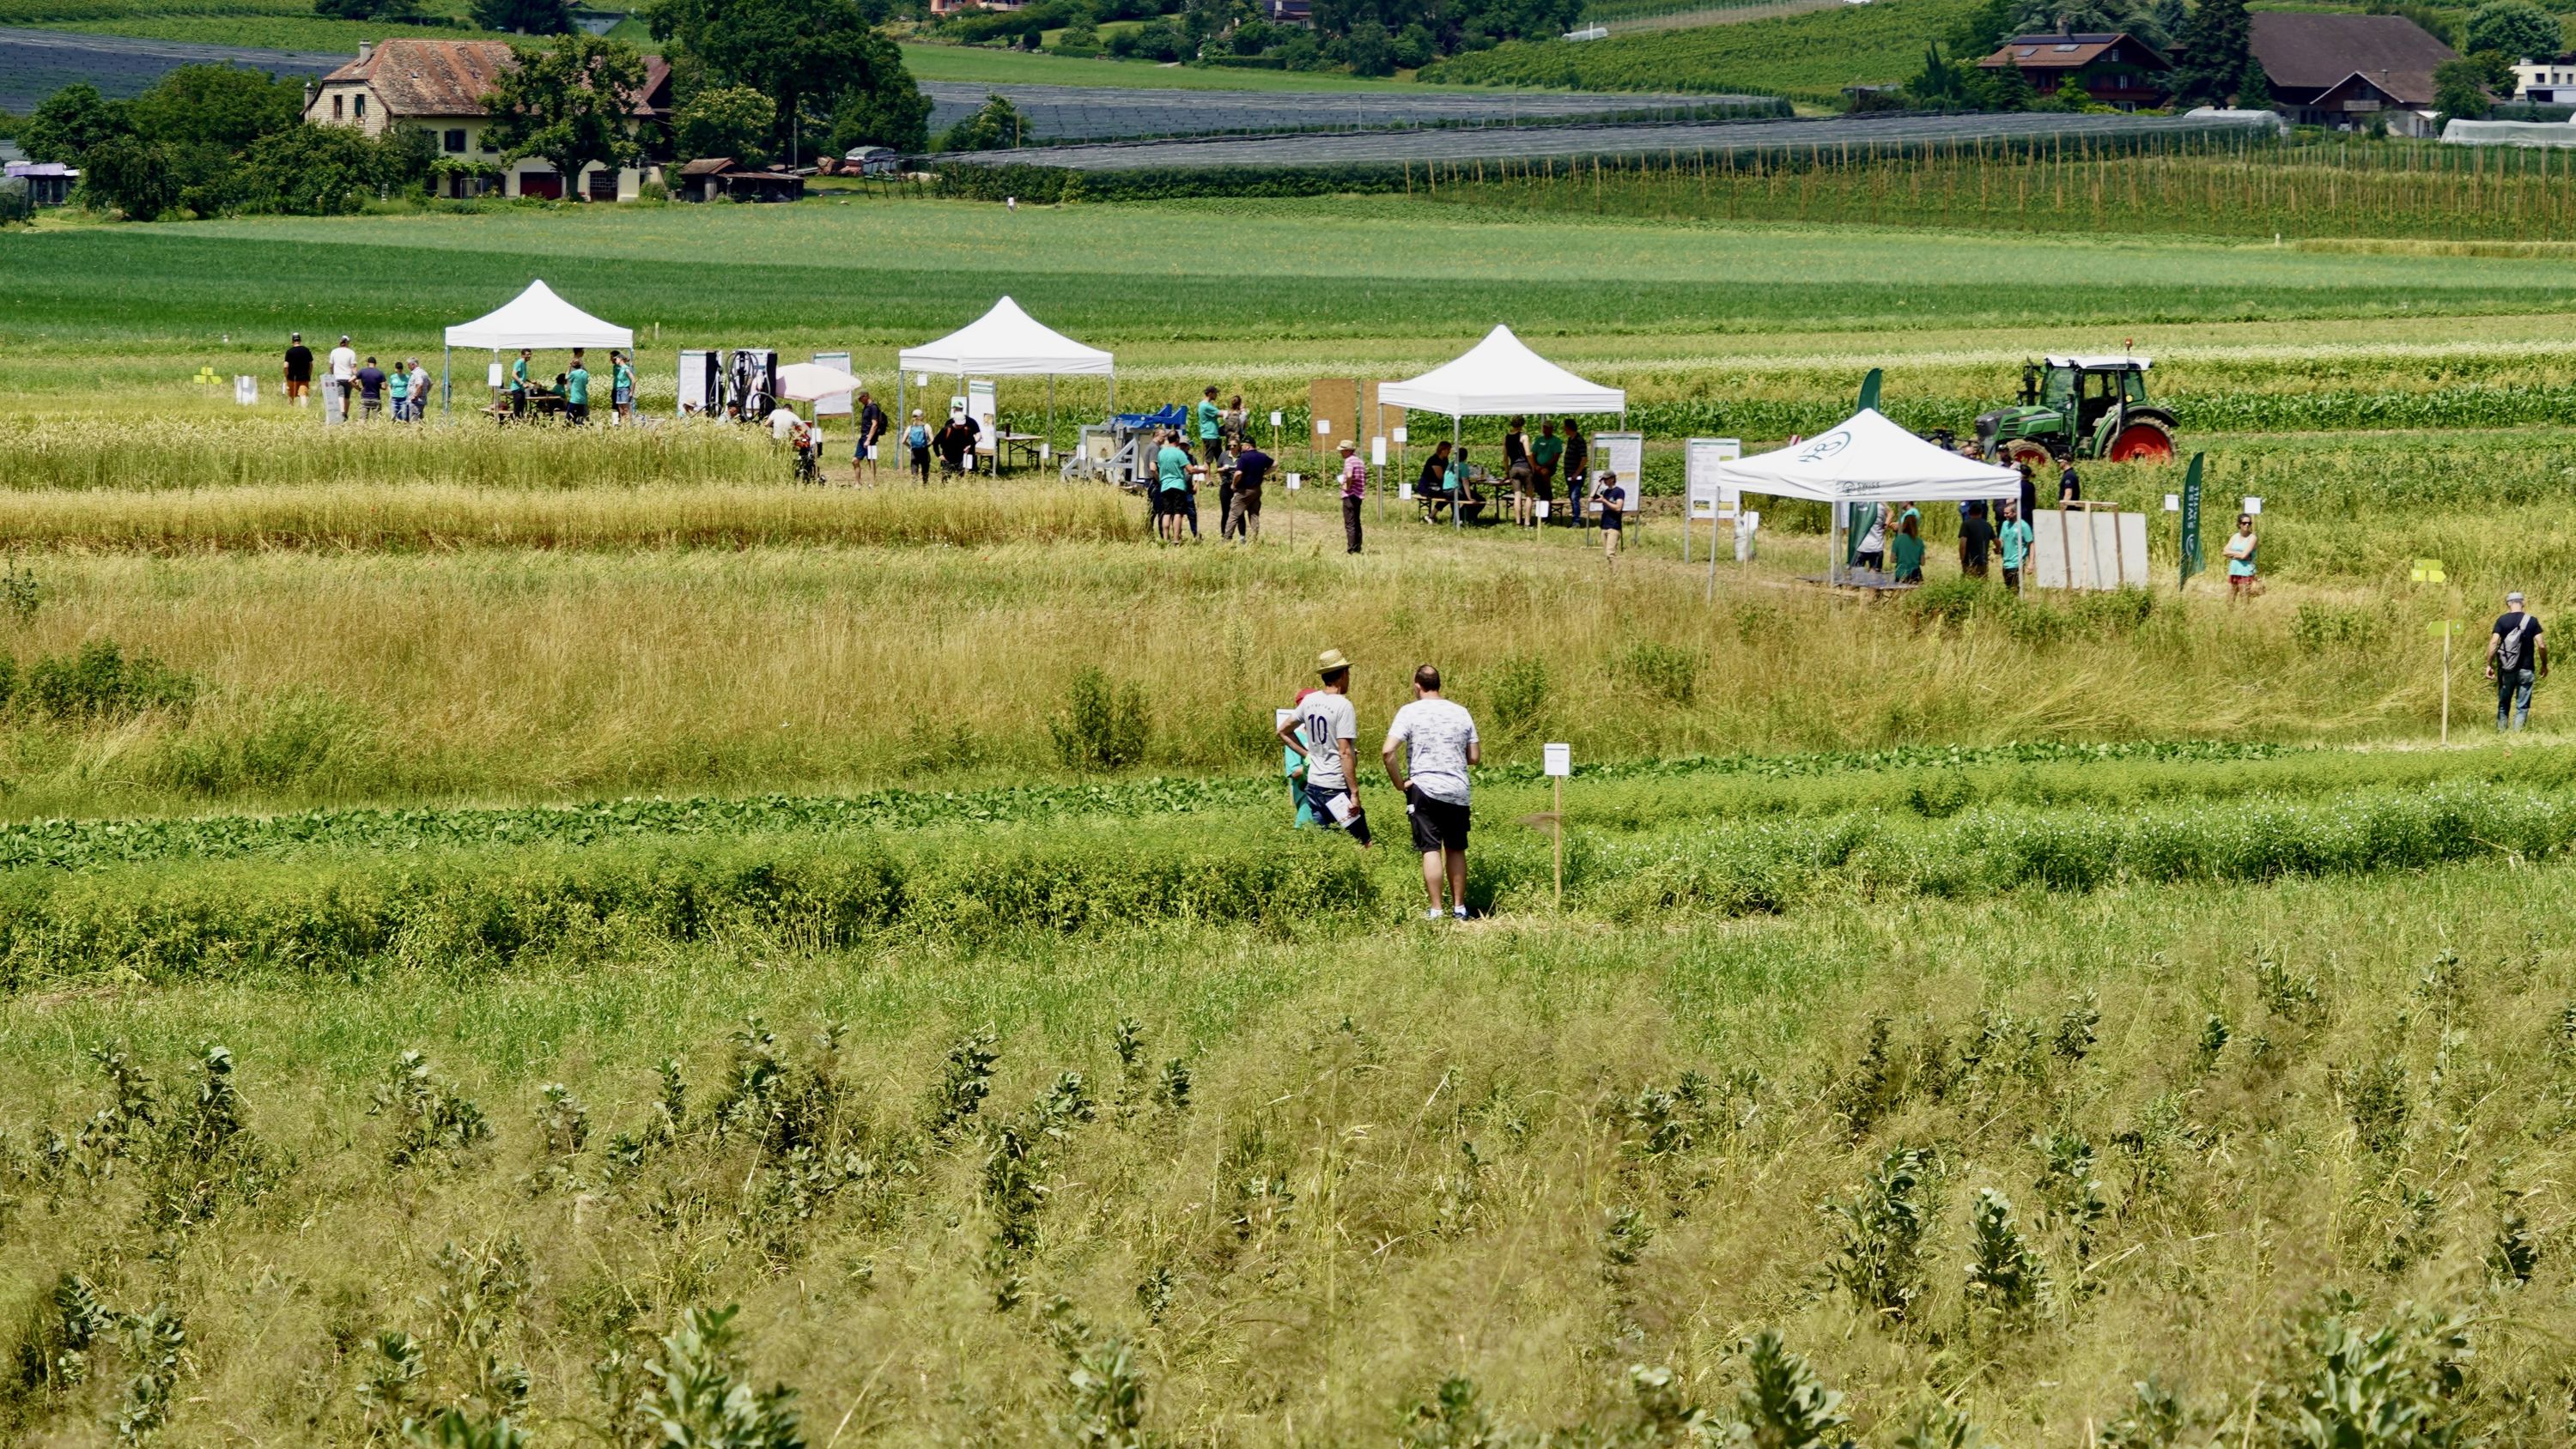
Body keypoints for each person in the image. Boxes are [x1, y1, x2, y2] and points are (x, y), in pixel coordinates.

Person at [1384, 664, 1480, 920]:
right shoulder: (1461, 712)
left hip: (1424, 788)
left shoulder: (1409, 712)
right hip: (1457, 789)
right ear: (1439, 684)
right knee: (1456, 848)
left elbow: (1388, 751)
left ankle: (1436, 909)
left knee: (1430, 849)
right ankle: (1459, 907)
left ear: (1417, 685)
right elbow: (1474, 757)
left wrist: (1399, 782)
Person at [1279, 649, 1369, 847]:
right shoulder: (1343, 705)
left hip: (1314, 785)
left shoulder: (1310, 700)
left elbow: (1283, 731)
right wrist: (1354, 793)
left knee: (1319, 844)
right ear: (1344, 674)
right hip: (1335, 786)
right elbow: (1344, 752)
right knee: (1362, 843)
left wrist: (1307, 755)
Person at [2488, 591, 2547, 731]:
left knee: (2504, 704)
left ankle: (2502, 734)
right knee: (2522, 705)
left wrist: (2489, 664)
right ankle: (2517, 735)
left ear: (2508, 604)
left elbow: (2493, 642)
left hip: (2506, 669)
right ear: (2523, 603)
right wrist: (2544, 664)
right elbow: (2541, 644)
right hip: (2526, 669)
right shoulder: (2532, 621)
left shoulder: (2502, 620)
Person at [1230, 435, 1272, 541]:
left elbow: (1238, 473)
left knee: (1234, 514)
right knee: (1254, 514)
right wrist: (1264, 473)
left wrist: (1234, 485)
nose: (1241, 447)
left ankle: (1227, 538)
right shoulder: (1262, 456)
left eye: (1243, 445)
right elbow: (1275, 464)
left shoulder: (1244, 457)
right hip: (1257, 490)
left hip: (1244, 491)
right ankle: (1254, 538)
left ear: (1248, 446)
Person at [1155, 429, 1193, 543]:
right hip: (1178, 485)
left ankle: (1165, 539)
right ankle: (1176, 538)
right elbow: (1190, 469)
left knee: (1167, 512)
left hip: (1165, 485)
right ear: (1177, 440)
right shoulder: (1179, 453)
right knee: (1177, 513)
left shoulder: (1161, 453)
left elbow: (1159, 467)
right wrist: (1202, 470)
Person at [1530, 420, 1563, 526]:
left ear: (1552, 429)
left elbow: (1556, 457)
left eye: (1548, 428)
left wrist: (1544, 466)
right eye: (1544, 427)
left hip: (1548, 468)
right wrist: (1535, 466)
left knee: (1545, 486)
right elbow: (1533, 454)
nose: (1545, 430)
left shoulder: (1556, 441)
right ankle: (1542, 494)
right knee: (1539, 490)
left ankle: (1546, 514)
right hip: (1537, 468)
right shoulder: (1539, 440)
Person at [1996, 499, 2033, 591]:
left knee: (2015, 590)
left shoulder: (2023, 526)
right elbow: (2001, 540)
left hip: (2017, 563)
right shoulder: (2005, 524)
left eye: (2007, 513)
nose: (2005, 515)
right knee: (2008, 589)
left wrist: (2031, 562)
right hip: (2006, 563)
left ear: (2015, 512)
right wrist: (1997, 547)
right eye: (2004, 513)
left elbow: (2031, 544)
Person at [1339, 439, 1366, 555]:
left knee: (1349, 523)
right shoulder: (1360, 461)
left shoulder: (1349, 461)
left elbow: (1349, 475)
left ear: (1348, 451)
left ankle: (1351, 549)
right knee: (1357, 522)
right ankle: (1358, 547)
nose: (1340, 453)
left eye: (1342, 451)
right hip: (1359, 495)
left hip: (1350, 495)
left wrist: (1347, 486)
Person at [1559, 420, 1589, 525]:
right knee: (1572, 497)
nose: (1563, 429)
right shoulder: (1570, 440)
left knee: (1574, 497)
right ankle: (1574, 519)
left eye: (1565, 427)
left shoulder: (1579, 440)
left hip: (1576, 475)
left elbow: (1584, 459)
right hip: (1569, 474)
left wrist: (1577, 473)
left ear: (1569, 428)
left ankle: (1576, 521)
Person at [1504, 416, 1532, 525]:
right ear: (1522, 425)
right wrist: (1533, 466)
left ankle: (1518, 521)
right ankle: (1527, 522)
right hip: (1525, 467)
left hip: (1514, 468)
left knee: (1517, 495)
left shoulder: (1506, 437)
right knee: (1529, 495)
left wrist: (1507, 471)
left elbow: (1505, 457)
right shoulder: (1524, 436)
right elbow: (1528, 453)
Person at [2223, 513, 2259, 600]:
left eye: (2249, 523)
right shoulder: (2234, 537)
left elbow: (2244, 555)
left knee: (2245, 600)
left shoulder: (2252, 538)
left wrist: (2232, 555)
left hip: (2245, 571)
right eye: (2244, 523)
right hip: (2234, 570)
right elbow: (2224, 551)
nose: (2247, 525)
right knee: (2230, 600)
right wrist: (2238, 555)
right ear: (2239, 524)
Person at [854, 391, 886, 484]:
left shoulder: (873, 407)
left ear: (866, 396)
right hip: (863, 437)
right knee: (855, 460)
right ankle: (858, 483)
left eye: (860, 398)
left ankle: (872, 482)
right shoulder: (866, 407)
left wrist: (868, 440)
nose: (859, 401)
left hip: (869, 438)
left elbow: (875, 424)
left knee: (871, 460)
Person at [1592, 470, 1625, 559]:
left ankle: (1616, 572)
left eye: (1606, 479)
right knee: (1607, 554)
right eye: (1603, 479)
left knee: (1610, 553)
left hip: (1614, 526)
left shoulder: (1619, 491)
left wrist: (1604, 501)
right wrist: (1597, 486)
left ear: (1612, 479)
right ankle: (1612, 571)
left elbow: (1618, 508)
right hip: (1604, 526)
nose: (1605, 481)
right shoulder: (1605, 492)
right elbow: (1590, 499)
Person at [1959, 499, 1996, 579]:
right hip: (1983, 562)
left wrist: (1962, 559)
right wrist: (1998, 549)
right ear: (1982, 512)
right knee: (1983, 586)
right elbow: (1997, 541)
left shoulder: (1966, 524)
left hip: (1970, 562)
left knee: (1970, 584)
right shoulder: (1987, 524)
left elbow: (1962, 544)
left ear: (1969, 512)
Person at [1418, 440, 1453, 522]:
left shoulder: (1445, 460)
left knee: (1452, 494)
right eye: (1448, 449)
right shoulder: (1434, 460)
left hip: (1437, 486)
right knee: (1450, 494)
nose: (1449, 452)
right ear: (1442, 450)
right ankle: (1431, 516)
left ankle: (1455, 516)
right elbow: (1441, 476)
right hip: (1427, 486)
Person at [327, 334, 357, 420]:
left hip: (337, 377)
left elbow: (331, 365)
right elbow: (353, 367)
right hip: (348, 377)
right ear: (347, 343)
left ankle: (342, 413)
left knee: (340, 395)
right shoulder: (351, 352)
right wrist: (356, 376)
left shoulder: (334, 351)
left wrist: (332, 374)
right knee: (347, 396)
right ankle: (346, 414)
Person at [1891, 511, 1924, 584]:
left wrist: (1901, 559)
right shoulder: (1919, 541)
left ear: (1904, 525)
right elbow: (1922, 562)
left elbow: (1892, 560)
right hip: (1915, 575)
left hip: (1900, 574)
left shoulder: (1898, 540)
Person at [1853, 502, 1887, 574]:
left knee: (1857, 577)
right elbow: (1883, 523)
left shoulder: (1860, 506)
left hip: (1861, 545)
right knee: (1874, 579)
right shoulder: (1881, 508)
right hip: (1876, 546)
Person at [283, 333, 313, 408]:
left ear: (292, 341)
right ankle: (304, 412)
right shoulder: (306, 350)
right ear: (300, 340)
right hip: (304, 377)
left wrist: (287, 376)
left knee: (291, 395)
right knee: (303, 395)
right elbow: (311, 364)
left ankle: (290, 410)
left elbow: (285, 366)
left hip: (292, 377)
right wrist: (309, 374)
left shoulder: (289, 351)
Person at [1197, 386, 1224, 465]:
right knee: (1208, 460)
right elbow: (1220, 413)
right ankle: (1208, 478)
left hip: (1212, 434)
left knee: (1219, 458)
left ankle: (1221, 476)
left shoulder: (1203, 404)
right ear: (1210, 394)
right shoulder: (1206, 406)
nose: (1217, 395)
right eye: (1215, 393)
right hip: (1210, 435)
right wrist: (1233, 412)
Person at [903, 410, 932, 484]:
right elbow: (933, 440)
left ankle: (914, 488)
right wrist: (927, 445)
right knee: (925, 471)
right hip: (924, 451)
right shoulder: (926, 426)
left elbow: (903, 441)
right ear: (922, 417)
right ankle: (925, 485)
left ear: (913, 417)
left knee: (914, 471)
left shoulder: (910, 428)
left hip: (914, 452)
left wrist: (910, 447)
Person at [563, 350, 591, 425]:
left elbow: (566, 377)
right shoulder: (585, 373)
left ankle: (567, 426)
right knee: (581, 416)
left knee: (568, 416)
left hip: (574, 399)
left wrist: (569, 367)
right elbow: (587, 381)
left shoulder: (573, 373)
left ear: (573, 366)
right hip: (583, 398)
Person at [355, 355, 386, 419]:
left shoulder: (362, 371)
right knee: (377, 422)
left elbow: (350, 380)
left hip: (364, 398)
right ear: (375, 363)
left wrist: (358, 388)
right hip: (376, 399)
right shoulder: (380, 373)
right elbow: (384, 387)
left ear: (368, 363)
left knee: (362, 421)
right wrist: (377, 385)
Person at [611, 350, 635, 426]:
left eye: (616, 359)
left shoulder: (625, 368)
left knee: (625, 409)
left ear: (620, 359)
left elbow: (633, 380)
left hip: (624, 389)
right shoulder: (617, 367)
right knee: (619, 409)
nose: (615, 360)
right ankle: (619, 424)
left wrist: (631, 391)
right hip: (617, 389)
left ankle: (628, 424)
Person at [510, 348, 533, 420]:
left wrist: (530, 381)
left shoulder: (524, 363)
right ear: (523, 355)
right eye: (527, 354)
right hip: (517, 388)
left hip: (522, 388)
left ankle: (520, 421)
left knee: (522, 407)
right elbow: (513, 374)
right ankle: (515, 422)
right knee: (517, 407)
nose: (529, 356)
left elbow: (521, 375)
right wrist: (522, 383)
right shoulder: (519, 362)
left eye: (530, 354)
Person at [386, 357, 410, 421]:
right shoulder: (392, 377)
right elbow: (389, 386)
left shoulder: (407, 377)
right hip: (394, 399)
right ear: (395, 369)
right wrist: (390, 395)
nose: (399, 372)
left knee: (404, 416)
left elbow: (409, 387)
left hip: (403, 399)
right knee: (393, 416)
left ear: (402, 369)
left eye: (400, 370)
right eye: (398, 370)